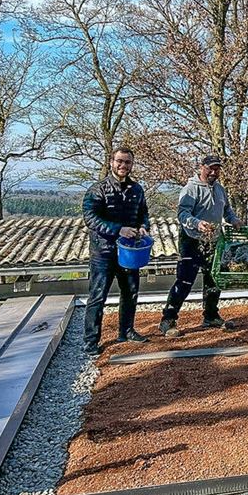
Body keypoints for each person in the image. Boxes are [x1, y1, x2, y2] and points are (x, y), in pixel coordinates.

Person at [158, 155, 244, 337]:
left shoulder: (220, 189)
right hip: (191, 239)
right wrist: (197, 223)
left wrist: (234, 219)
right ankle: (168, 319)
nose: (214, 172)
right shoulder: (190, 189)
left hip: (213, 239)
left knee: (214, 278)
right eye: (210, 168)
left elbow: (226, 209)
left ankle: (211, 315)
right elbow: (182, 213)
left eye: (217, 169)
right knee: (185, 281)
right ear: (201, 167)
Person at [82, 146, 150, 354]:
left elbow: (143, 214)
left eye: (127, 162)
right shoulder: (97, 189)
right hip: (103, 252)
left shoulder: (137, 189)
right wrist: (118, 230)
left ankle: (126, 331)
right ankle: (91, 340)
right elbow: (90, 218)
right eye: (119, 161)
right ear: (111, 162)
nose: (123, 165)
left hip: (130, 251)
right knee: (97, 296)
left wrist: (143, 227)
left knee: (130, 292)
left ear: (132, 164)